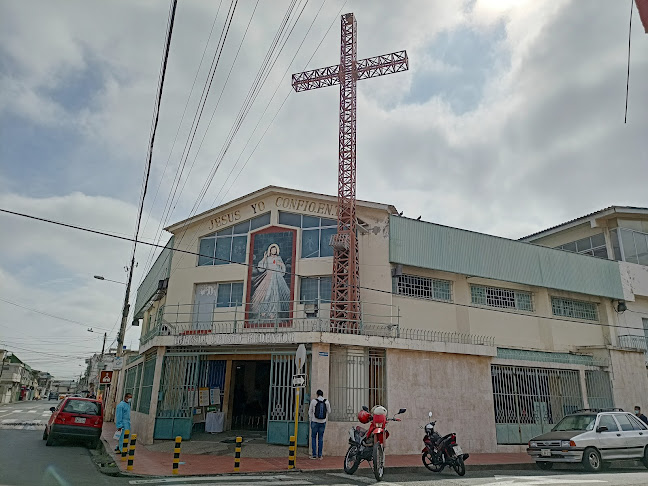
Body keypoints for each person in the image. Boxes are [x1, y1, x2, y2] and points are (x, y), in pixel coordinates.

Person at [251, 244, 291, 323]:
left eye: (275, 249)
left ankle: (273, 312)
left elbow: (282, 271)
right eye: (272, 249)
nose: (274, 251)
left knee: (275, 295)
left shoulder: (278, 258)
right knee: (266, 294)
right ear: (270, 250)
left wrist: (281, 265)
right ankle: (264, 311)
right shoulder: (268, 258)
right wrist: (264, 258)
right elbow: (261, 269)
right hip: (268, 277)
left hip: (277, 278)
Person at [308, 389, 330, 460]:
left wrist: (311, 419)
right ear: (322, 394)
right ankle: (320, 455)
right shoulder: (326, 401)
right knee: (320, 438)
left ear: (317, 394)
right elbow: (329, 411)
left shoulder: (313, 401)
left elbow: (310, 411)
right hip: (322, 422)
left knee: (313, 437)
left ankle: (314, 455)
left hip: (314, 421)